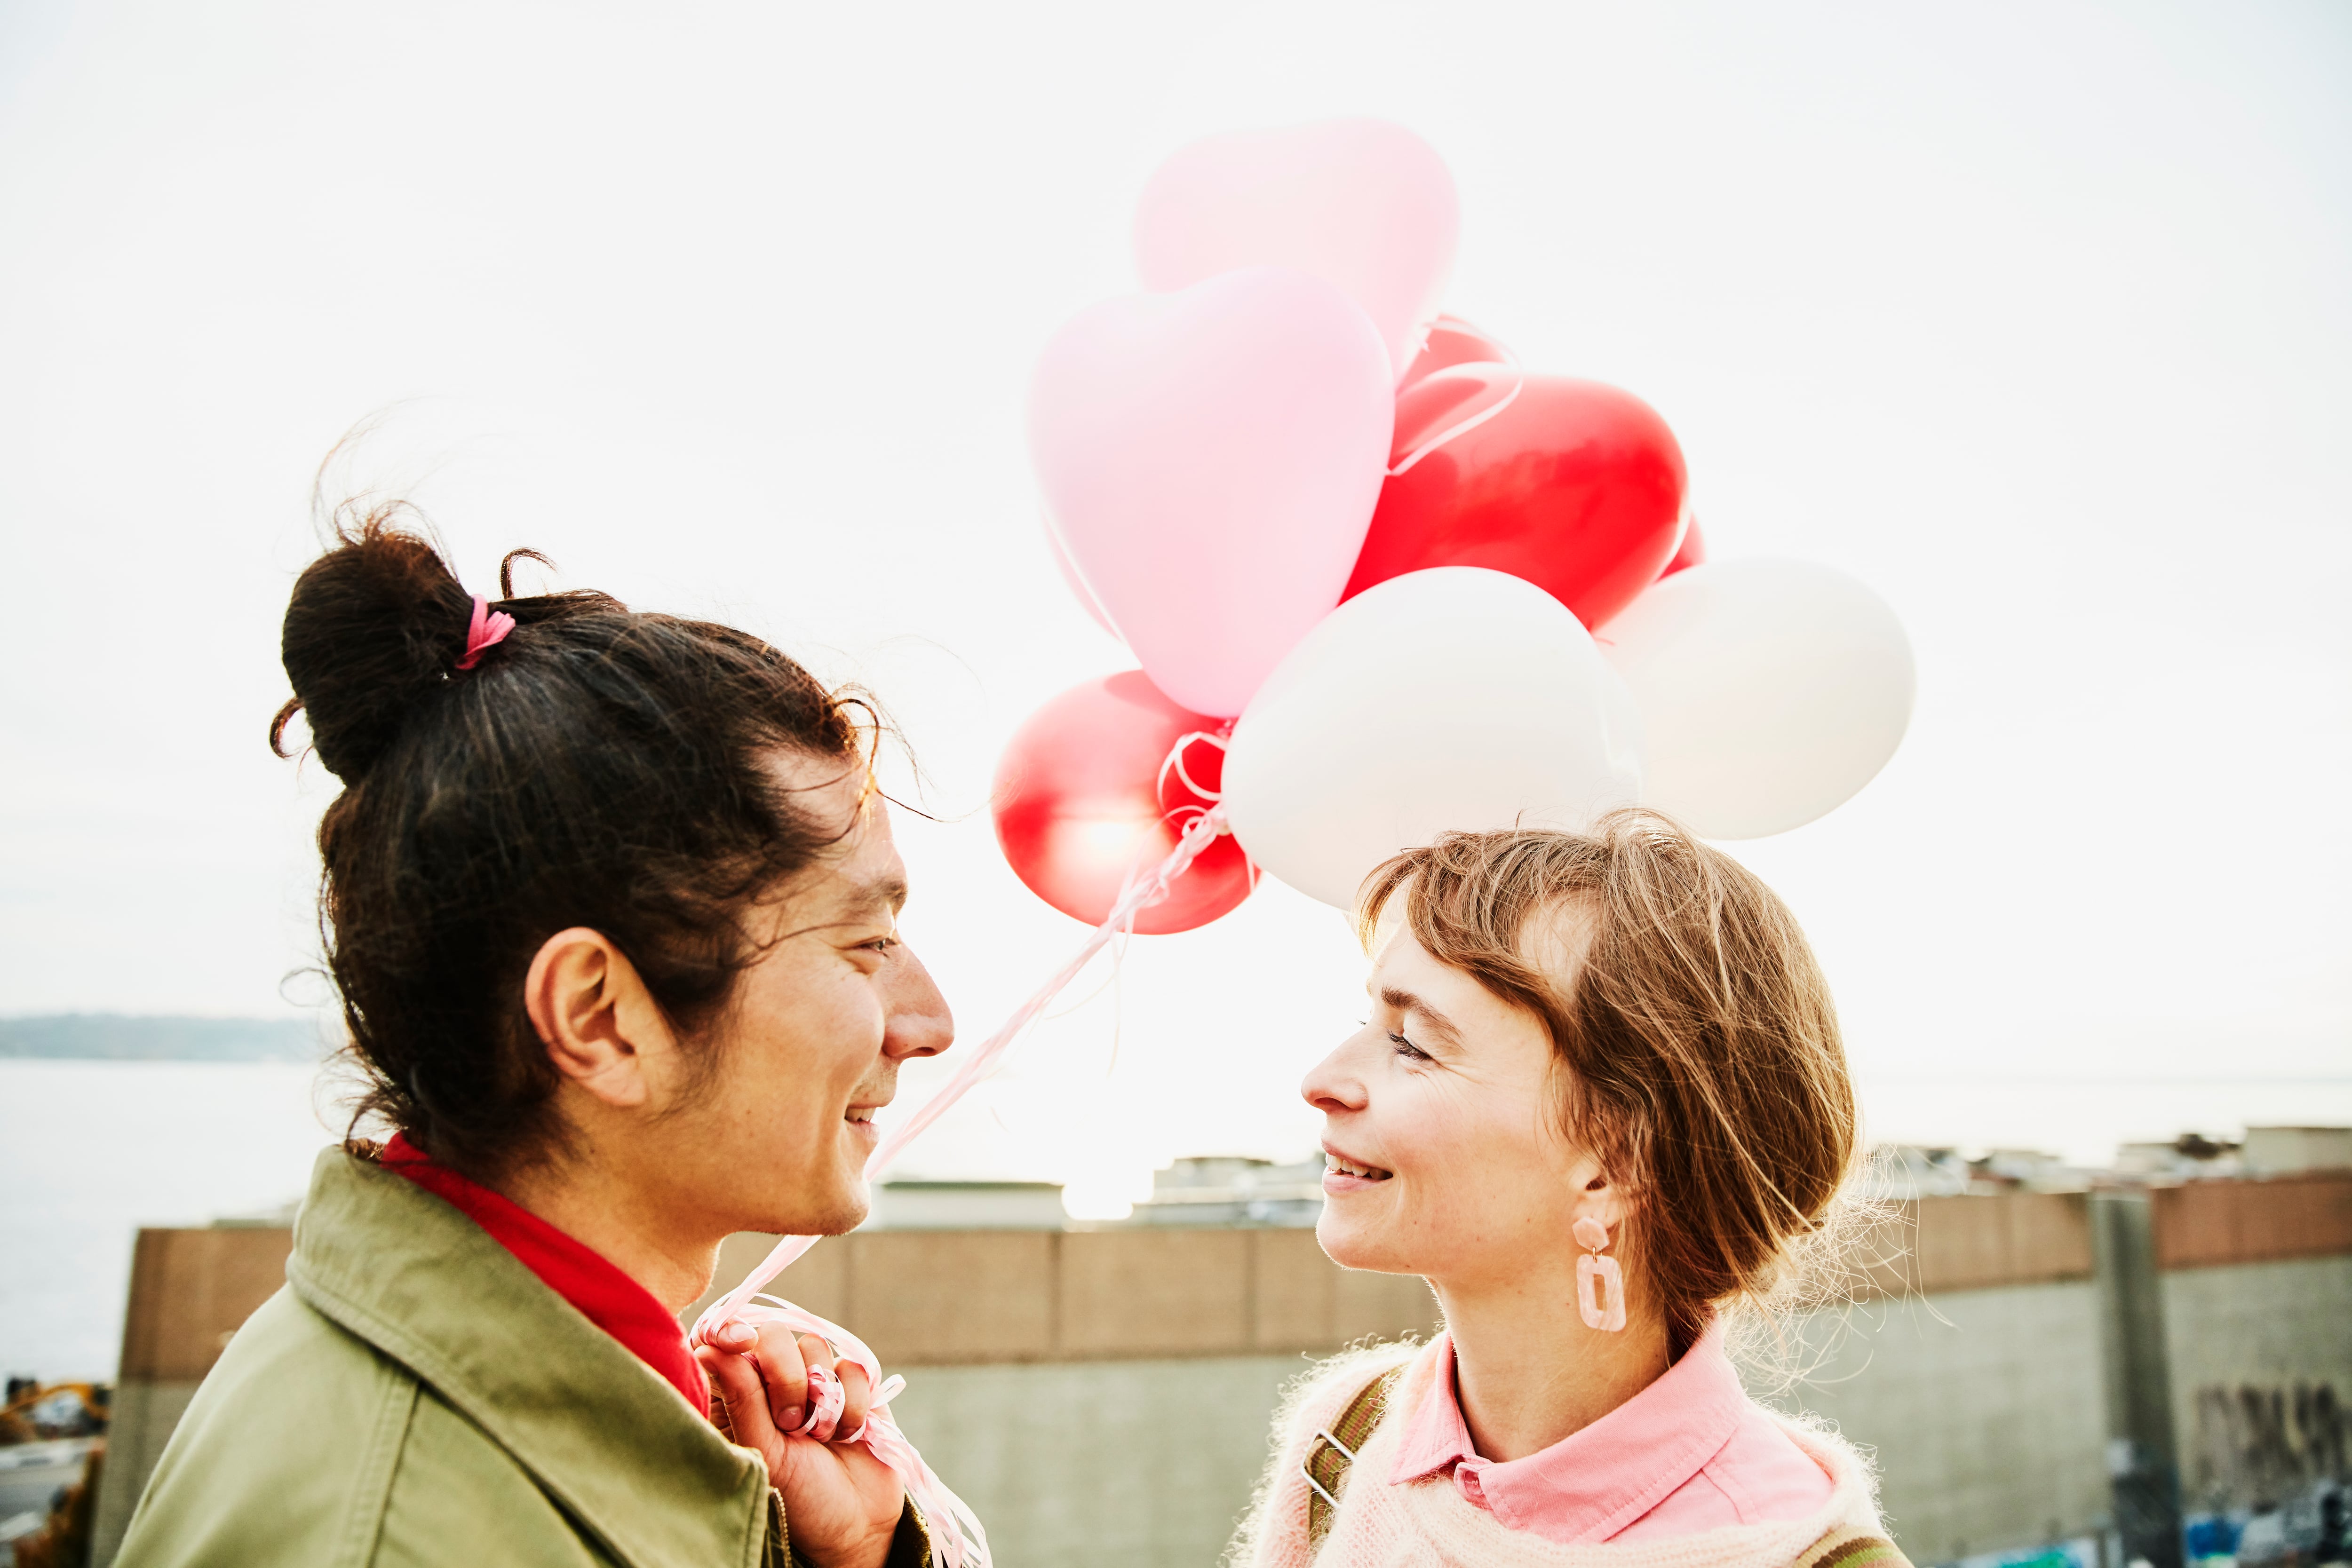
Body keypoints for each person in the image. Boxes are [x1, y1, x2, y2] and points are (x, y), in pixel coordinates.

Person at [118, 513, 951, 1568]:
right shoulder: (409, 1531)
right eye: (865, 940)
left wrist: (846, 1556)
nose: (930, 1024)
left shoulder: (507, 1405)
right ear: (599, 1017)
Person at [1233, 817, 1907, 1568]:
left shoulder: (1795, 1553)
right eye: (1370, 1019)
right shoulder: (1345, 1438)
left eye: (1412, 1042)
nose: (1320, 1080)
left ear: (1614, 1164)